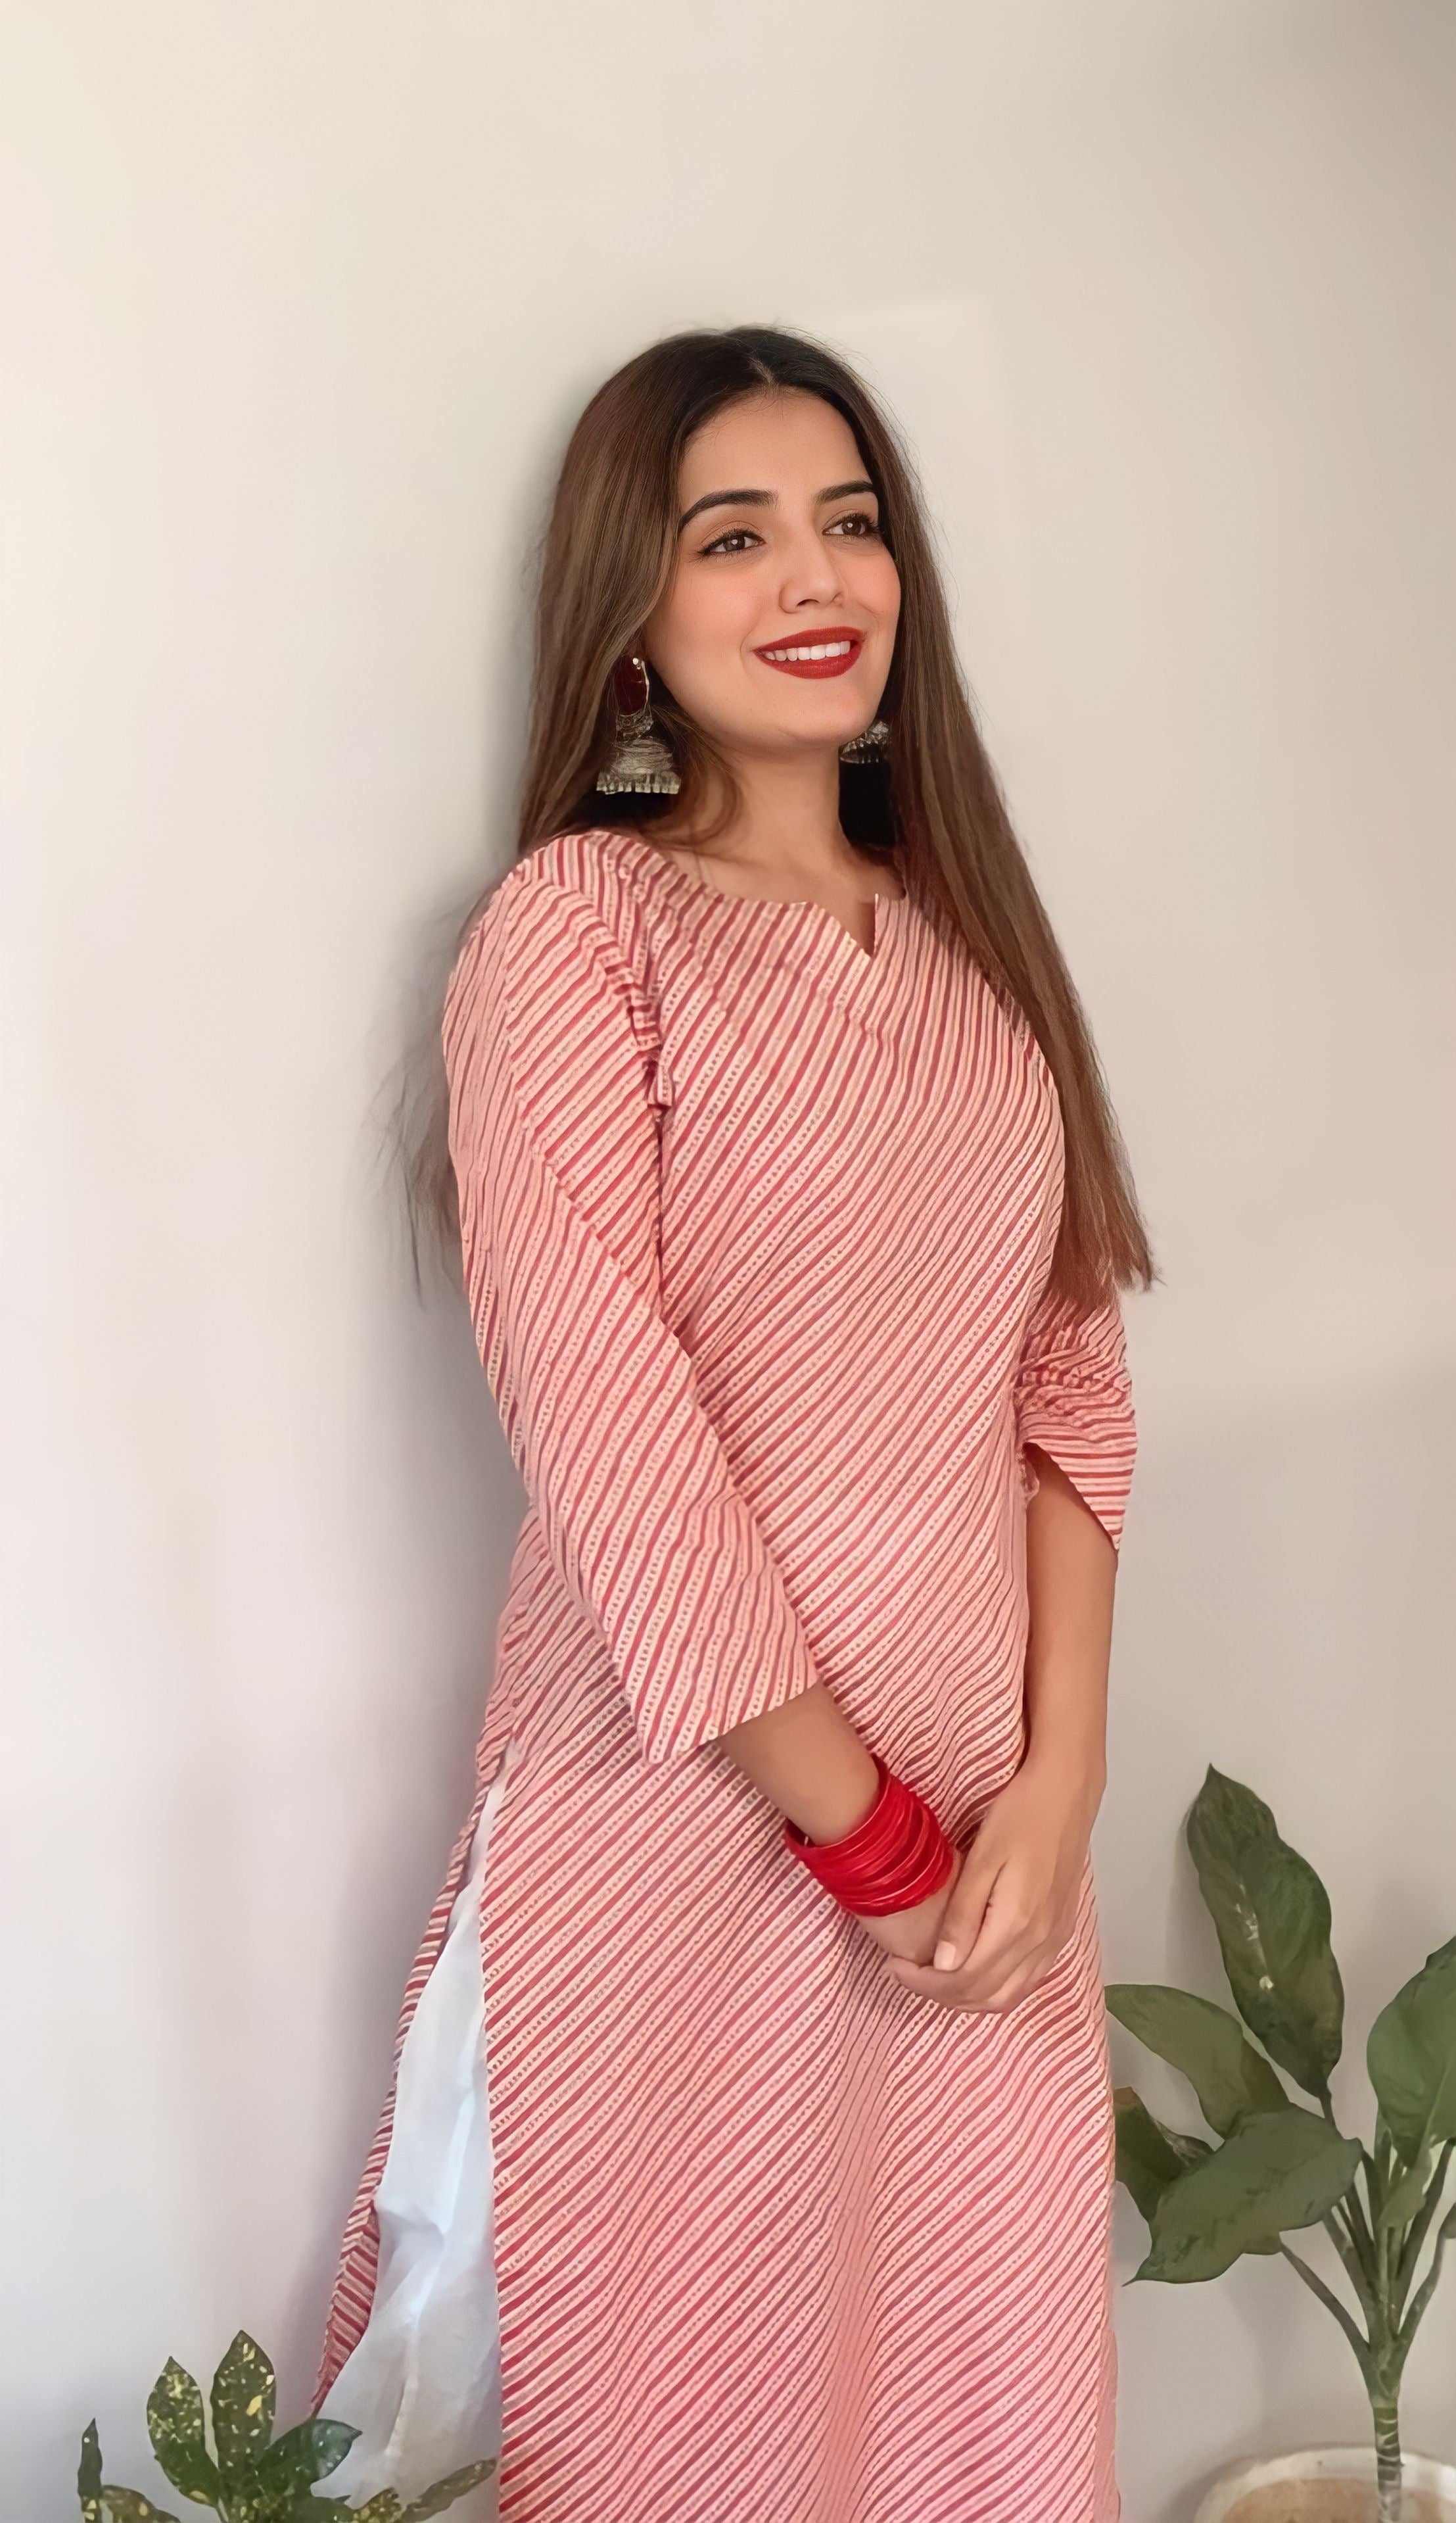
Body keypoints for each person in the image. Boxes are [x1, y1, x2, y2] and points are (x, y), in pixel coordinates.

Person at [316, 324, 1153, 2523]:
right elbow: (616, 1443)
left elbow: (1068, 1380)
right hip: (689, 1823)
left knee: (974, 2408)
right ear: (634, 613)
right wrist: (866, 1840)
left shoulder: (975, 954)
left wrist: (1059, 1782)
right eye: (735, 534)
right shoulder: (576, 935)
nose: (818, 576)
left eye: (853, 522)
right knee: (675, 2426)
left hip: (986, 1856)